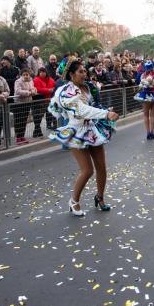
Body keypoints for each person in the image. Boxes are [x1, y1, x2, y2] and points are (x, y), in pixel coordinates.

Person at [47, 57, 119, 216]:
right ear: (72, 74)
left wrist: (106, 110)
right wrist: (106, 114)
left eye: (85, 71)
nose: (84, 74)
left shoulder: (90, 87)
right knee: (87, 170)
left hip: (92, 129)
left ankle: (100, 198)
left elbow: (94, 106)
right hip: (76, 132)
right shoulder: (67, 91)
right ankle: (74, 202)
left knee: (102, 168)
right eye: (80, 71)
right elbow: (81, 111)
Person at [134, 60, 154, 139]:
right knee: (152, 114)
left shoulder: (142, 75)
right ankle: (152, 132)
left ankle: (148, 132)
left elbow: (137, 83)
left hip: (145, 95)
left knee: (145, 114)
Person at [13, 68, 37, 144]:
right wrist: (28, 93)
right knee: (18, 120)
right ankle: (18, 137)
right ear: (21, 75)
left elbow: (33, 88)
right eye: (24, 75)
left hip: (27, 102)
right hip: (19, 103)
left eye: (27, 74)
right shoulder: (18, 81)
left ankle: (22, 136)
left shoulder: (31, 80)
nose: (26, 76)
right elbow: (18, 91)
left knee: (24, 120)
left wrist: (33, 91)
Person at [33, 66, 55, 133]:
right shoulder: (36, 79)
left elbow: (54, 86)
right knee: (39, 116)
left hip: (49, 100)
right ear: (38, 73)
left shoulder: (50, 79)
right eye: (41, 72)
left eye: (44, 72)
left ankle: (48, 125)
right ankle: (37, 129)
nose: (42, 73)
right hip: (41, 101)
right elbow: (37, 89)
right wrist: (48, 90)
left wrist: (52, 89)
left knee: (49, 113)